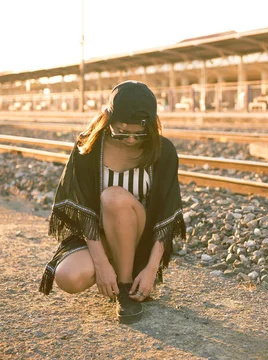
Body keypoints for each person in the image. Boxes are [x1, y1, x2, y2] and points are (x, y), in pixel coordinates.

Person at [39, 80, 186, 324]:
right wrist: (102, 264)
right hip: (99, 235)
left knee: (113, 197)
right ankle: (115, 272)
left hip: (139, 237)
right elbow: (84, 213)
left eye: (139, 133)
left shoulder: (163, 151)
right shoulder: (88, 149)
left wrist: (151, 269)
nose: (130, 140)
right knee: (68, 277)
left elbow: (166, 215)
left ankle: (125, 288)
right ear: (108, 120)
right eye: (122, 132)